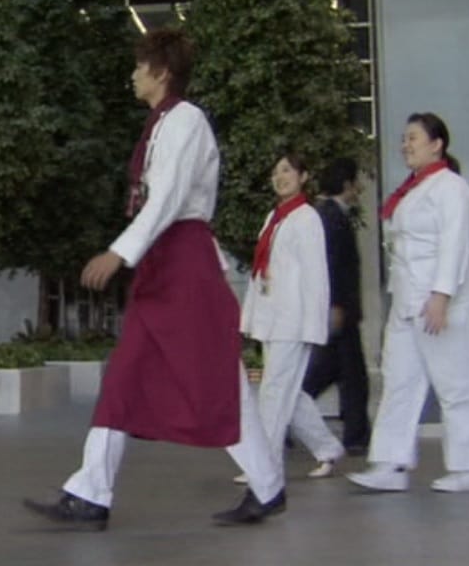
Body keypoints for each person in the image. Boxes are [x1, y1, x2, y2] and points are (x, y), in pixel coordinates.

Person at [22, 28, 285, 530]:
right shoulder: (164, 122)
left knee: (215, 378)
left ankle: (268, 485)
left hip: (184, 262)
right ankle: (90, 493)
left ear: (161, 72)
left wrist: (119, 253)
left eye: (140, 66)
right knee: (126, 377)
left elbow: (167, 198)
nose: (133, 75)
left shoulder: (186, 120)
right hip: (165, 264)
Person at [349, 113, 469, 494]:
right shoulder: (412, 190)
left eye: (413, 138)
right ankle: (390, 463)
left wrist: (441, 296)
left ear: (437, 144)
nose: (405, 145)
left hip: (446, 300)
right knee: (399, 381)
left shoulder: (451, 187)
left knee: (456, 384)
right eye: (404, 138)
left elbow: (454, 244)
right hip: (408, 300)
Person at [236, 153, 344, 484]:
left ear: (303, 176)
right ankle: (327, 447)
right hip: (274, 316)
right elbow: (262, 271)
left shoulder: (307, 218)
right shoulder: (275, 217)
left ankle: (264, 465)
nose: (280, 177)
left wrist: (314, 325)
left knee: (273, 391)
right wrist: (251, 316)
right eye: (276, 172)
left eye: (287, 171)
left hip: (294, 320)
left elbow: (316, 276)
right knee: (290, 393)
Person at [303, 157, 371, 461]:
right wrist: (336, 305)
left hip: (341, 309)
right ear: (346, 184)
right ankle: (355, 436)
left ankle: (356, 434)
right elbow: (331, 265)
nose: (359, 188)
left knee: (340, 373)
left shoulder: (327, 214)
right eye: (356, 182)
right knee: (348, 376)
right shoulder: (331, 217)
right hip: (339, 309)